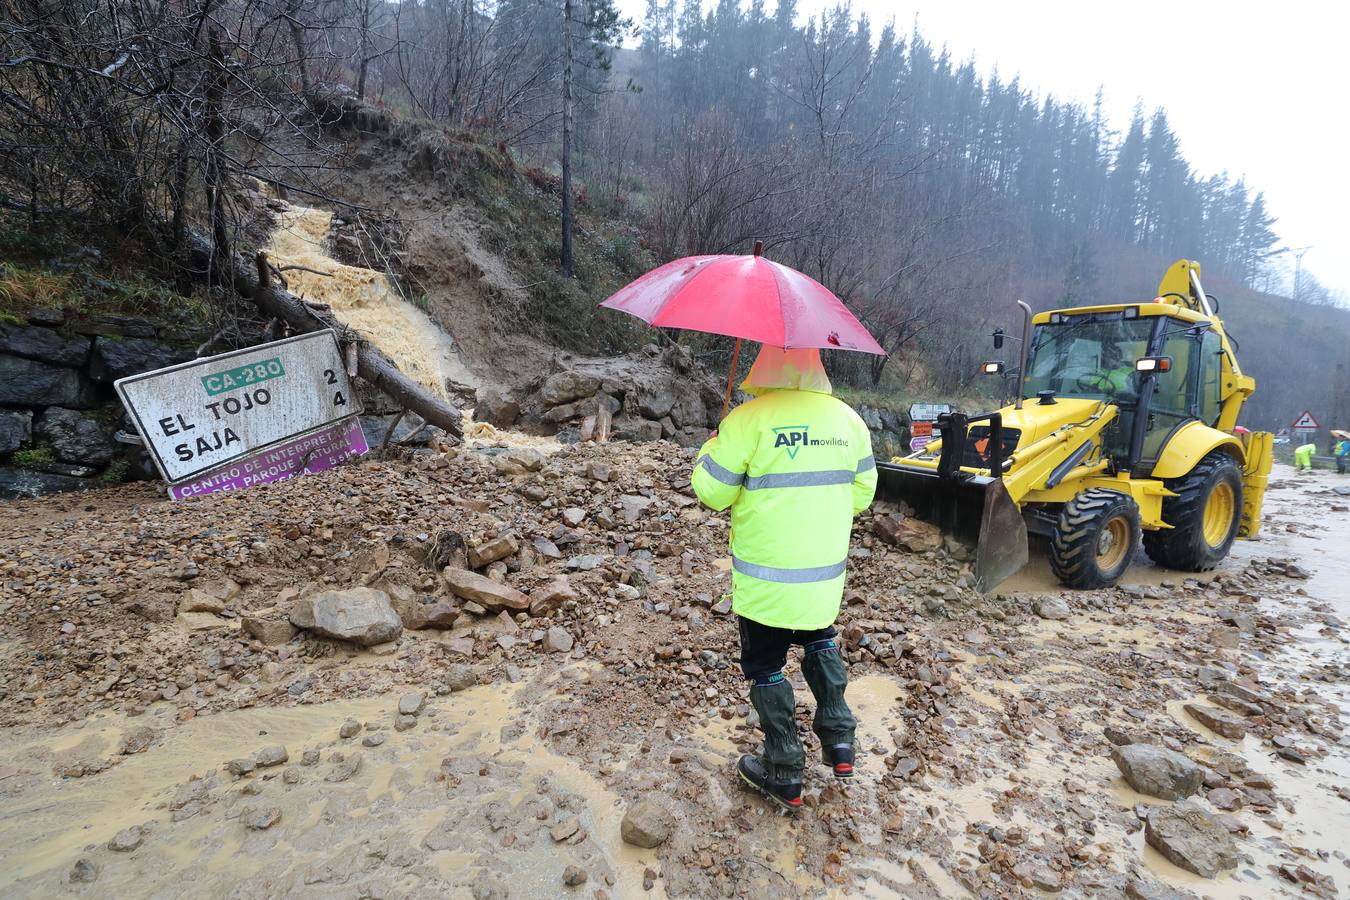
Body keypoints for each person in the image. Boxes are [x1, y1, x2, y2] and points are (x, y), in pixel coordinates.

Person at [690, 346, 877, 812]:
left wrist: (712, 446)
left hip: (766, 580)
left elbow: (712, 492)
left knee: (766, 664)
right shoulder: (849, 421)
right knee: (820, 638)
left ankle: (784, 770)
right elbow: (862, 495)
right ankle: (839, 742)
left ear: (763, 368)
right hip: (821, 575)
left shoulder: (748, 419)